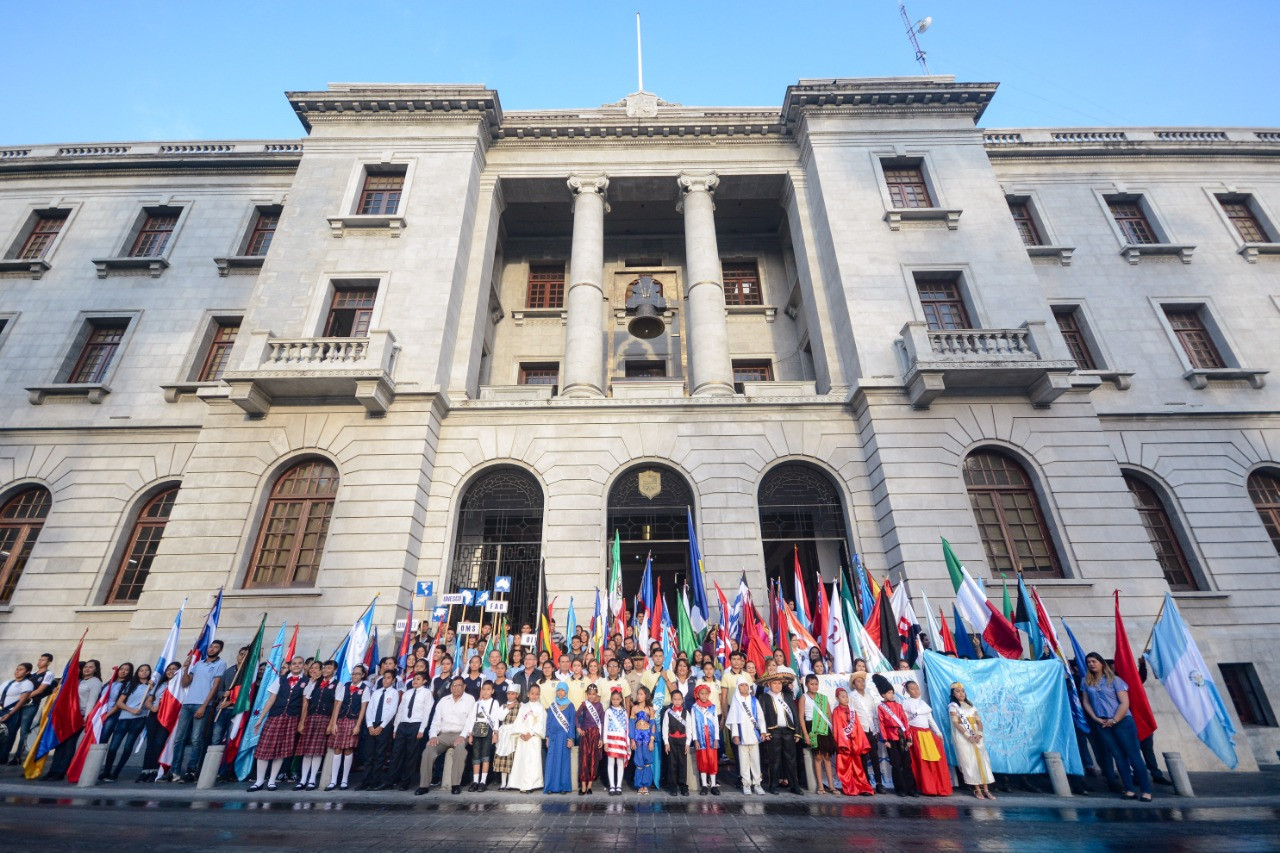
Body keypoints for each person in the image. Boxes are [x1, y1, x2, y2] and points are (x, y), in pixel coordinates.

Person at [1081, 651, 1152, 802]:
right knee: (1118, 757)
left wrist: (1114, 720)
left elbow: (1124, 703)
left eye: (1094, 661)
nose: (1091, 664)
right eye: (1089, 662)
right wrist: (1095, 718)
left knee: (1133, 755)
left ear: (1101, 663)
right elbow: (1086, 702)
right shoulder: (1086, 681)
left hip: (1122, 721)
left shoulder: (1115, 680)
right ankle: (1129, 789)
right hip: (1102, 723)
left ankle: (1146, 791)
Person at [248, 655, 308, 792]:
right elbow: (271, 699)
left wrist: (302, 722)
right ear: (290, 666)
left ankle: (272, 780)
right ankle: (259, 781)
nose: (297, 665)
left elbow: (305, 703)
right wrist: (260, 718)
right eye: (294, 663)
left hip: (292, 718)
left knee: (281, 750)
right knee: (264, 748)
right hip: (275, 716)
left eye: (300, 663)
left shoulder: (306, 681)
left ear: (303, 666)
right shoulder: (280, 679)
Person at [169, 640, 227, 783]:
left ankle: (191, 770)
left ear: (220, 650)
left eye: (216, 647)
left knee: (196, 739)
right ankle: (174, 771)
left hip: (202, 704)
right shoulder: (198, 664)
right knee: (179, 738)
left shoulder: (220, 664)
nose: (212, 649)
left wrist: (204, 706)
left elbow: (215, 687)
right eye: (211, 646)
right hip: (187, 703)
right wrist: (186, 669)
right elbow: (185, 683)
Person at [418, 676, 476, 795]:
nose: (456, 688)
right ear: (450, 687)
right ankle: (423, 785)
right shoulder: (443, 701)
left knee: (460, 749)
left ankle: (455, 784)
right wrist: (433, 736)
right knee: (428, 750)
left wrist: (462, 736)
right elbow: (435, 722)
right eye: (454, 685)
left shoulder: (470, 700)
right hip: (443, 735)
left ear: (464, 687)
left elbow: (470, 721)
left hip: (460, 734)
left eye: (459, 685)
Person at [100, 663, 152, 782]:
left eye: (146, 670)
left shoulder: (151, 687)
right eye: (141, 670)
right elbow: (119, 703)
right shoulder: (131, 685)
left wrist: (151, 688)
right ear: (137, 672)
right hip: (124, 718)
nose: (144, 672)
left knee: (128, 746)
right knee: (113, 746)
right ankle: (106, 771)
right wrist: (131, 710)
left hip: (139, 719)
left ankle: (116, 772)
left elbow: (150, 701)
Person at [383, 671, 433, 791]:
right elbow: (400, 710)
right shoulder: (407, 693)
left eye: (418, 679)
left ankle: (405, 781)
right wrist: (396, 727)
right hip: (403, 724)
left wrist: (422, 729)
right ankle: (390, 780)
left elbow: (427, 712)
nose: (415, 681)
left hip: (416, 724)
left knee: (411, 754)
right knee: (396, 753)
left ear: (424, 681)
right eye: (414, 679)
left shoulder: (426, 693)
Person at [903, 680, 951, 796]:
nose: (916, 691)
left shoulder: (923, 704)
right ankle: (927, 788)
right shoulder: (906, 703)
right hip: (916, 734)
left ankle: (937, 787)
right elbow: (905, 721)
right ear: (907, 691)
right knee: (922, 762)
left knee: (933, 761)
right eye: (912, 689)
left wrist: (938, 733)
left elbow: (930, 720)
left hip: (928, 734)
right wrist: (908, 736)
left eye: (917, 688)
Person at [948, 682, 994, 800]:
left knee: (982, 761)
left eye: (962, 691)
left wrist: (980, 734)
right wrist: (968, 735)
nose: (961, 693)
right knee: (970, 762)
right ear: (953, 694)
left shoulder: (971, 706)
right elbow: (956, 723)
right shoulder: (953, 706)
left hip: (977, 736)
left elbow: (979, 722)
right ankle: (977, 789)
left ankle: (986, 790)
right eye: (957, 691)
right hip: (964, 737)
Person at [874, 673, 918, 797]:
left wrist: (908, 738)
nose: (891, 695)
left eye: (892, 693)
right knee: (896, 764)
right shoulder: (881, 707)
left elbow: (905, 722)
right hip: (891, 737)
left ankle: (911, 788)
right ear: (883, 694)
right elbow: (881, 723)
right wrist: (885, 739)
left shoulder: (899, 706)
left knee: (907, 763)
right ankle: (900, 789)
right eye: (888, 693)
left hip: (902, 736)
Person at [294, 660, 335, 790]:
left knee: (317, 752)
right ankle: (303, 780)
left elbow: (335, 706)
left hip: (324, 719)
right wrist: (302, 722)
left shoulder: (336, 684)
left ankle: (312, 779)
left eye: (318, 668)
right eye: (324, 668)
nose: (324, 670)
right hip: (310, 718)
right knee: (307, 751)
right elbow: (306, 702)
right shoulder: (313, 683)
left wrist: (331, 724)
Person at [326, 664, 367, 791]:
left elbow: (363, 708)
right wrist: (334, 723)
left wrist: (358, 725)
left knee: (348, 749)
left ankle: (344, 780)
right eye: (353, 674)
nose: (355, 676)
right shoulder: (346, 686)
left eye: (357, 674)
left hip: (353, 720)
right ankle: (333, 780)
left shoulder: (364, 689)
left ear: (363, 675)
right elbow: (337, 705)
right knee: (337, 749)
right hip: (341, 720)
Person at [357, 669, 399, 790]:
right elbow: (370, 709)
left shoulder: (394, 693)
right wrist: (370, 725)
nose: (385, 680)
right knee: (369, 754)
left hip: (384, 725)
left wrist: (381, 726)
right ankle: (365, 781)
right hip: (372, 724)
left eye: (388, 678)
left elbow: (392, 711)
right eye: (384, 677)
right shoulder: (376, 692)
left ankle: (375, 781)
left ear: (393, 680)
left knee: (380, 755)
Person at [760, 672, 801, 795]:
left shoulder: (787, 696)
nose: (777, 685)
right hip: (774, 731)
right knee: (774, 759)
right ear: (769, 684)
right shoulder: (764, 697)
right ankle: (773, 785)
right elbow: (762, 716)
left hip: (788, 730)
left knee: (791, 759)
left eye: (779, 683)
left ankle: (794, 786)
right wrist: (766, 732)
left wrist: (797, 731)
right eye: (774, 683)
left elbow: (794, 713)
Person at [141, 662, 181, 782]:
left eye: (174, 669)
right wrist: (151, 707)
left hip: (167, 717)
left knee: (159, 742)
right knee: (150, 743)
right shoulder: (159, 685)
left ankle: (156, 770)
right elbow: (148, 701)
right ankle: (145, 770)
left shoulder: (178, 687)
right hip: (154, 714)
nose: (171, 671)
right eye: (169, 669)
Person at [725, 678, 765, 795]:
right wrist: (735, 735)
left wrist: (763, 731)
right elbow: (733, 720)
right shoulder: (736, 701)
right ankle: (746, 784)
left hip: (754, 734)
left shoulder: (754, 700)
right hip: (742, 735)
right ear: (738, 688)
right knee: (743, 762)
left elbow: (760, 717)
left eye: (746, 685)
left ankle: (757, 783)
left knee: (755, 761)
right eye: (741, 685)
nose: (744, 687)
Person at [831, 687, 874, 796]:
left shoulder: (852, 711)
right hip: (844, 744)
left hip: (854, 743)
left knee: (858, 767)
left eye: (846, 696)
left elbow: (858, 727)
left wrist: (860, 742)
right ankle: (850, 788)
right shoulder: (836, 711)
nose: (846, 699)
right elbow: (837, 727)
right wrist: (842, 742)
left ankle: (862, 788)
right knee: (845, 768)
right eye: (842, 697)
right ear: (837, 698)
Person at [849, 671, 886, 793]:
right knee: (863, 758)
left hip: (871, 729)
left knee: (875, 757)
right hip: (861, 731)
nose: (861, 683)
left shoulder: (869, 696)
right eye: (858, 681)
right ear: (854, 684)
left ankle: (879, 783)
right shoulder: (851, 696)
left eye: (863, 681)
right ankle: (865, 783)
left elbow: (874, 714)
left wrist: (877, 729)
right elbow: (851, 715)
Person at [13, 653, 53, 764]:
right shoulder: (32, 674)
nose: (40, 662)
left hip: (31, 704)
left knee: (24, 731)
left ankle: (18, 756)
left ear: (49, 662)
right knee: (12, 729)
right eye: (39, 659)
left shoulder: (48, 674)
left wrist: (24, 697)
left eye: (43, 660)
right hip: (20, 704)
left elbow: (40, 690)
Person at [799, 673, 836, 794]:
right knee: (818, 756)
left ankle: (831, 786)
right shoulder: (804, 697)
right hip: (812, 727)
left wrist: (832, 730)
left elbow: (829, 714)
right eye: (811, 684)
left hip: (824, 727)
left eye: (816, 684)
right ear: (806, 685)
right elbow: (801, 717)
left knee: (827, 757)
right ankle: (820, 786)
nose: (814, 686)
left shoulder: (823, 698)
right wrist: (805, 734)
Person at [508, 683, 546, 793]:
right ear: (528, 694)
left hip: (533, 738)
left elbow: (541, 723)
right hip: (523, 737)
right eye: (532, 693)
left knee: (532, 761)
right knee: (522, 760)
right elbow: (518, 721)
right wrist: (520, 733)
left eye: (537, 694)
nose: (534, 696)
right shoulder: (523, 707)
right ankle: (519, 783)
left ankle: (531, 784)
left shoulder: (540, 708)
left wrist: (531, 733)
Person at [468, 679, 502, 792]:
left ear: (492, 691)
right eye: (484, 689)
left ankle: (483, 781)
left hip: (488, 730)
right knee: (476, 756)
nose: (486, 691)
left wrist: (495, 733)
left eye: (488, 689)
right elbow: (472, 718)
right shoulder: (477, 703)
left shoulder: (494, 702)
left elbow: (495, 718)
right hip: (477, 730)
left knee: (486, 756)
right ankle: (475, 781)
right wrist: (470, 734)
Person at [544, 682, 576, 794]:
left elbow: (572, 723)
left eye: (562, 690)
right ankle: (550, 787)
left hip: (564, 738)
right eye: (558, 690)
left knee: (564, 762)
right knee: (551, 762)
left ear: (566, 692)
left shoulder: (570, 706)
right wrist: (547, 737)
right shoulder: (552, 706)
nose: (560, 692)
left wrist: (571, 738)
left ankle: (563, 787)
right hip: (553, 737)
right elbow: (548, 722)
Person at [690, 683, 721, 795]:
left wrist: (716, 738)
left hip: (711, 737)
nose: (704, 695)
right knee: (703, 760)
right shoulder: (694, 707)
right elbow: (693, 724)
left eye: (706, 693)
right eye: (701, 693)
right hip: (701, 736)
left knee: (712, 760)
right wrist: (695, 739)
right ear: (697, 695)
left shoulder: (712, 707)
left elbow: (716, 723)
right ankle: (704, 785)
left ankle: (713, 785)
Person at [0, 663, 34, 764]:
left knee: (7, 735)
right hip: (1, 709)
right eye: (17, 669)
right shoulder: (7, 682)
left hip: (11, 711)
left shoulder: (27, 683)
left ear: (27, 672)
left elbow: (22, 701)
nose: (17, 671)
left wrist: (10, 714)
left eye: (21, 669)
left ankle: (2, 757)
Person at [491, 684, 523, 790]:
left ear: (517, 695)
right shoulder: (503, 706)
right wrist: (508, 708)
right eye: (509, 694)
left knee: (511, 758)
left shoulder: (521, 706)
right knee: (503, 758)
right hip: (504, 733)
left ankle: (510, 783)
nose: (510, 696)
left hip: (514, 733)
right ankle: (503, 783)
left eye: (513, 694)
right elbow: (500, 717)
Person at [660, 688, 690, 796]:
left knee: (682, 764)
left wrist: (687, 743)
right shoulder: (668, 712)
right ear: (672, 700)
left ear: (682, 700)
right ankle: (672, 787)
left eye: (679, 699)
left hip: (682, 740)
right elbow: (665, 728)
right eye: (675, 699)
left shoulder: (686, 712)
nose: (677, 701)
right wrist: (666, 742)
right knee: (672, 764)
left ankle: (683, 786)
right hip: (671, 740)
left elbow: (689, 728)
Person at [576, 683, 604, 795]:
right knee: (584, 759)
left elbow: (602, 722)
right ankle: (583, 785)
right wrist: (578, 728)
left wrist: (601, 738)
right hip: (585, 734)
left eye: (593, 694)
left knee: (593, 759)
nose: (591, 696)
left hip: (595, 734)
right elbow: (576, 717)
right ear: (586, 694)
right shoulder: (584, 704)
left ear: (596, 694)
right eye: (589, 694)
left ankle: (590, 785)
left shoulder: (600, 706)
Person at [603, 686, 631, 795]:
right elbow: (605, 727)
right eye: (613, 699)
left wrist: (627, 741)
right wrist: (605, 742)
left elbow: (627, 727)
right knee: (610, 762)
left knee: (620, 763)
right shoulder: (608, 711)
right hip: (610, 740)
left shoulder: (624, 711)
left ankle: (619, 785)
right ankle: (612, 785)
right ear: (611, 699)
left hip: (621, 740)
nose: (615, 701)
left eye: (617, 699)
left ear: (621, 700)